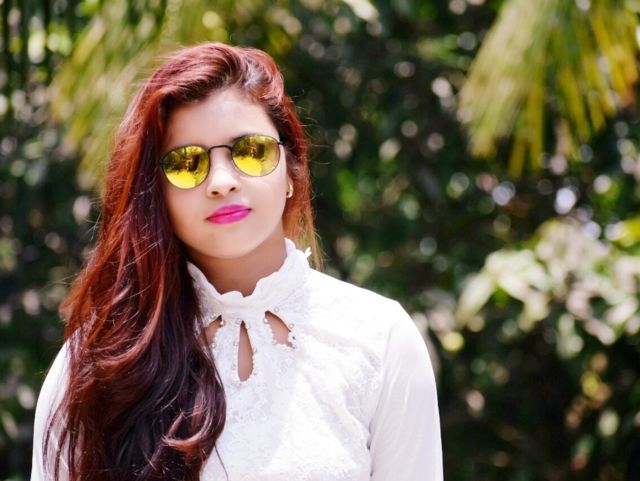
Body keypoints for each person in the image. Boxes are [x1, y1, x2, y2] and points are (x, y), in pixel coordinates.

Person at [31, 42, 442, 481]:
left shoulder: (379, 341)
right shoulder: (99, 364)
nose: (222, 181)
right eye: (187, 163)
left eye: (251, 151)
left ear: (291, 170)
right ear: (156, 196)